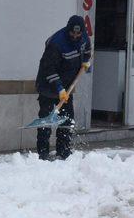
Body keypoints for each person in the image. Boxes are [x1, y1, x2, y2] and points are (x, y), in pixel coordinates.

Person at [35, 15, 92, 161]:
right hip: (48, 85)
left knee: (66, 119)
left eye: (78, 34)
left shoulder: (84, 38)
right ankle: (42, 154)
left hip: (67, 85)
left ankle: (64, 151)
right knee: (46, 120)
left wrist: (86, 62)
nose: (74, 36)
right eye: (72, 33)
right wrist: (59, 88)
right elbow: (49, 69)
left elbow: (87, 51)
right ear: (68, 29)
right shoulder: (57, 43)